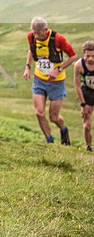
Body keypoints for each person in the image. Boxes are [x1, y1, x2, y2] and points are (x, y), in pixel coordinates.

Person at [22, 17, 77, 145]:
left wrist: (58, 69)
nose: (36, 36)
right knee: (39, 113)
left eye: (39, 33)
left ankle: (63, 130)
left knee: (54, 117)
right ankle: (50, 141)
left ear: (45, 30)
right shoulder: (31, 37)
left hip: (57, 83)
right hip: (39, 80)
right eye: (34, 33)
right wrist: (27, 67)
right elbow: (31, 50)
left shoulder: (58, 39)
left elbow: (73, 56)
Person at [72, 40, 94, 151]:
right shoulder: (78, 65)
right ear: (83, 54)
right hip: (88, 93)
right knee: (87, 125)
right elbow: (77, 85)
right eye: (88, 56)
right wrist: (83, 104)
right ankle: (88, 147)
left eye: (93, 56)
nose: (90, 59)